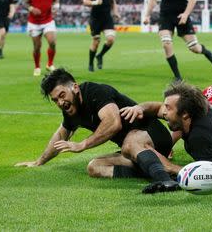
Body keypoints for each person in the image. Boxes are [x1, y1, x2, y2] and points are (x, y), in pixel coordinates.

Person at [15, 68, 179, 193]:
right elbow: (60, 136)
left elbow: (114, 123)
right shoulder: (71, 111)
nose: (60, 102)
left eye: (62, 95)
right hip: (134, 151)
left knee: (130, 140)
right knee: (95, 167)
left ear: (75, 88)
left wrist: (83, 144)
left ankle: (166, 179)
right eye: (55, 100)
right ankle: (152, 167)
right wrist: (39, 161)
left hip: (153, 135)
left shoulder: (94, 92)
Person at [83, 0, 120, 72]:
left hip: (107, 18)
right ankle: (90, 63)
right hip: (95, 18)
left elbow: (113, 2)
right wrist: (94, 2)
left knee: (111, 39)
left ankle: (100, 56)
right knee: (96, 41)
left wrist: (116, 12)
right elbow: (85, 1)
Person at [23, 0, 59, 76]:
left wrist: (56, 7)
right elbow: (25, 3)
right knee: (37, 47)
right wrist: (31, 9)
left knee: (52, 42)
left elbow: (56, 0)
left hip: (48, 20)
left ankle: (50, 64)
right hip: (34, 23)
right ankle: (37, 66)